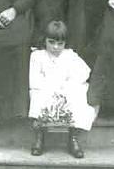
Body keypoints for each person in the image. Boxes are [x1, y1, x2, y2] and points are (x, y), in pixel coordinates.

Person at [29, 20, 95, 158]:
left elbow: (83, 73)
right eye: (51, 42)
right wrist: (52, 89)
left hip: (65, 89)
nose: (55, 47)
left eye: (60, 43)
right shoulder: (38, 56)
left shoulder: (70, 55)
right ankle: (40, 137)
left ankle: (73, 138)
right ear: (45, 40)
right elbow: (35, 80)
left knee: (79, 93)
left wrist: (65, 87)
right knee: (37, 96)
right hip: (45, 89)